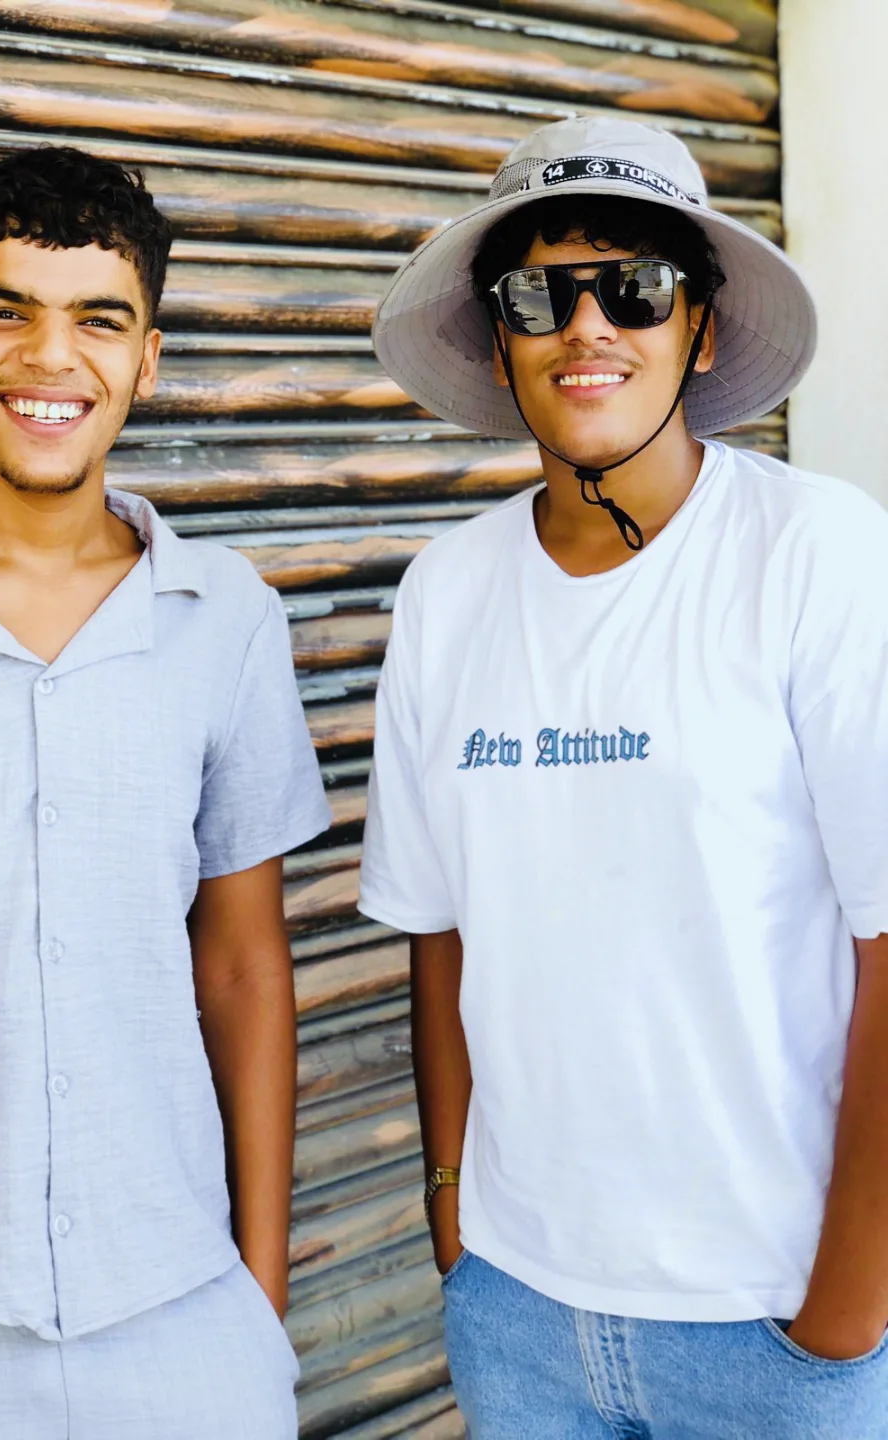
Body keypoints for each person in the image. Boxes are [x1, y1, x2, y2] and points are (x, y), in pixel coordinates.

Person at [358, 115, 888, 1437]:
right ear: (499, 337)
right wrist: (452, 1220)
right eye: (540, 295)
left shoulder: (816, 556)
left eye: (635, 287)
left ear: (699, 329)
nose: (586, 326)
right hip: (520, 1316)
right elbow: (439, 932)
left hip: (774, 1326)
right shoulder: (445, 593)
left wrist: (846, 1307)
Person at [0, 146, 329, 1438]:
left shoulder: (225, 616)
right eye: (7, 311)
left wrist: (258, 1296)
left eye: (99, 319)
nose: (51, 357)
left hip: (179, 1308)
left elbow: (244, 966)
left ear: (148, 359)